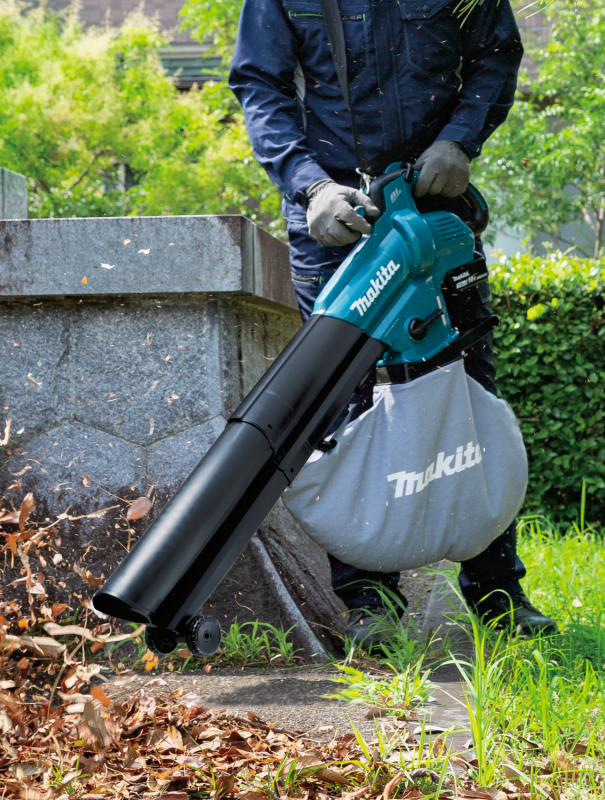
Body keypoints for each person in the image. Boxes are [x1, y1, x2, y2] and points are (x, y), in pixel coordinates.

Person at [229, 0, 557, 648]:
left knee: (467, 388)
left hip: (433, 208)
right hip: (336, 218)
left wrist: (460, 140)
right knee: (349, 405)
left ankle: (497, 591)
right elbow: (259, 84)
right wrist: (310, 186)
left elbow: (496, 52)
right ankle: (369, 602)